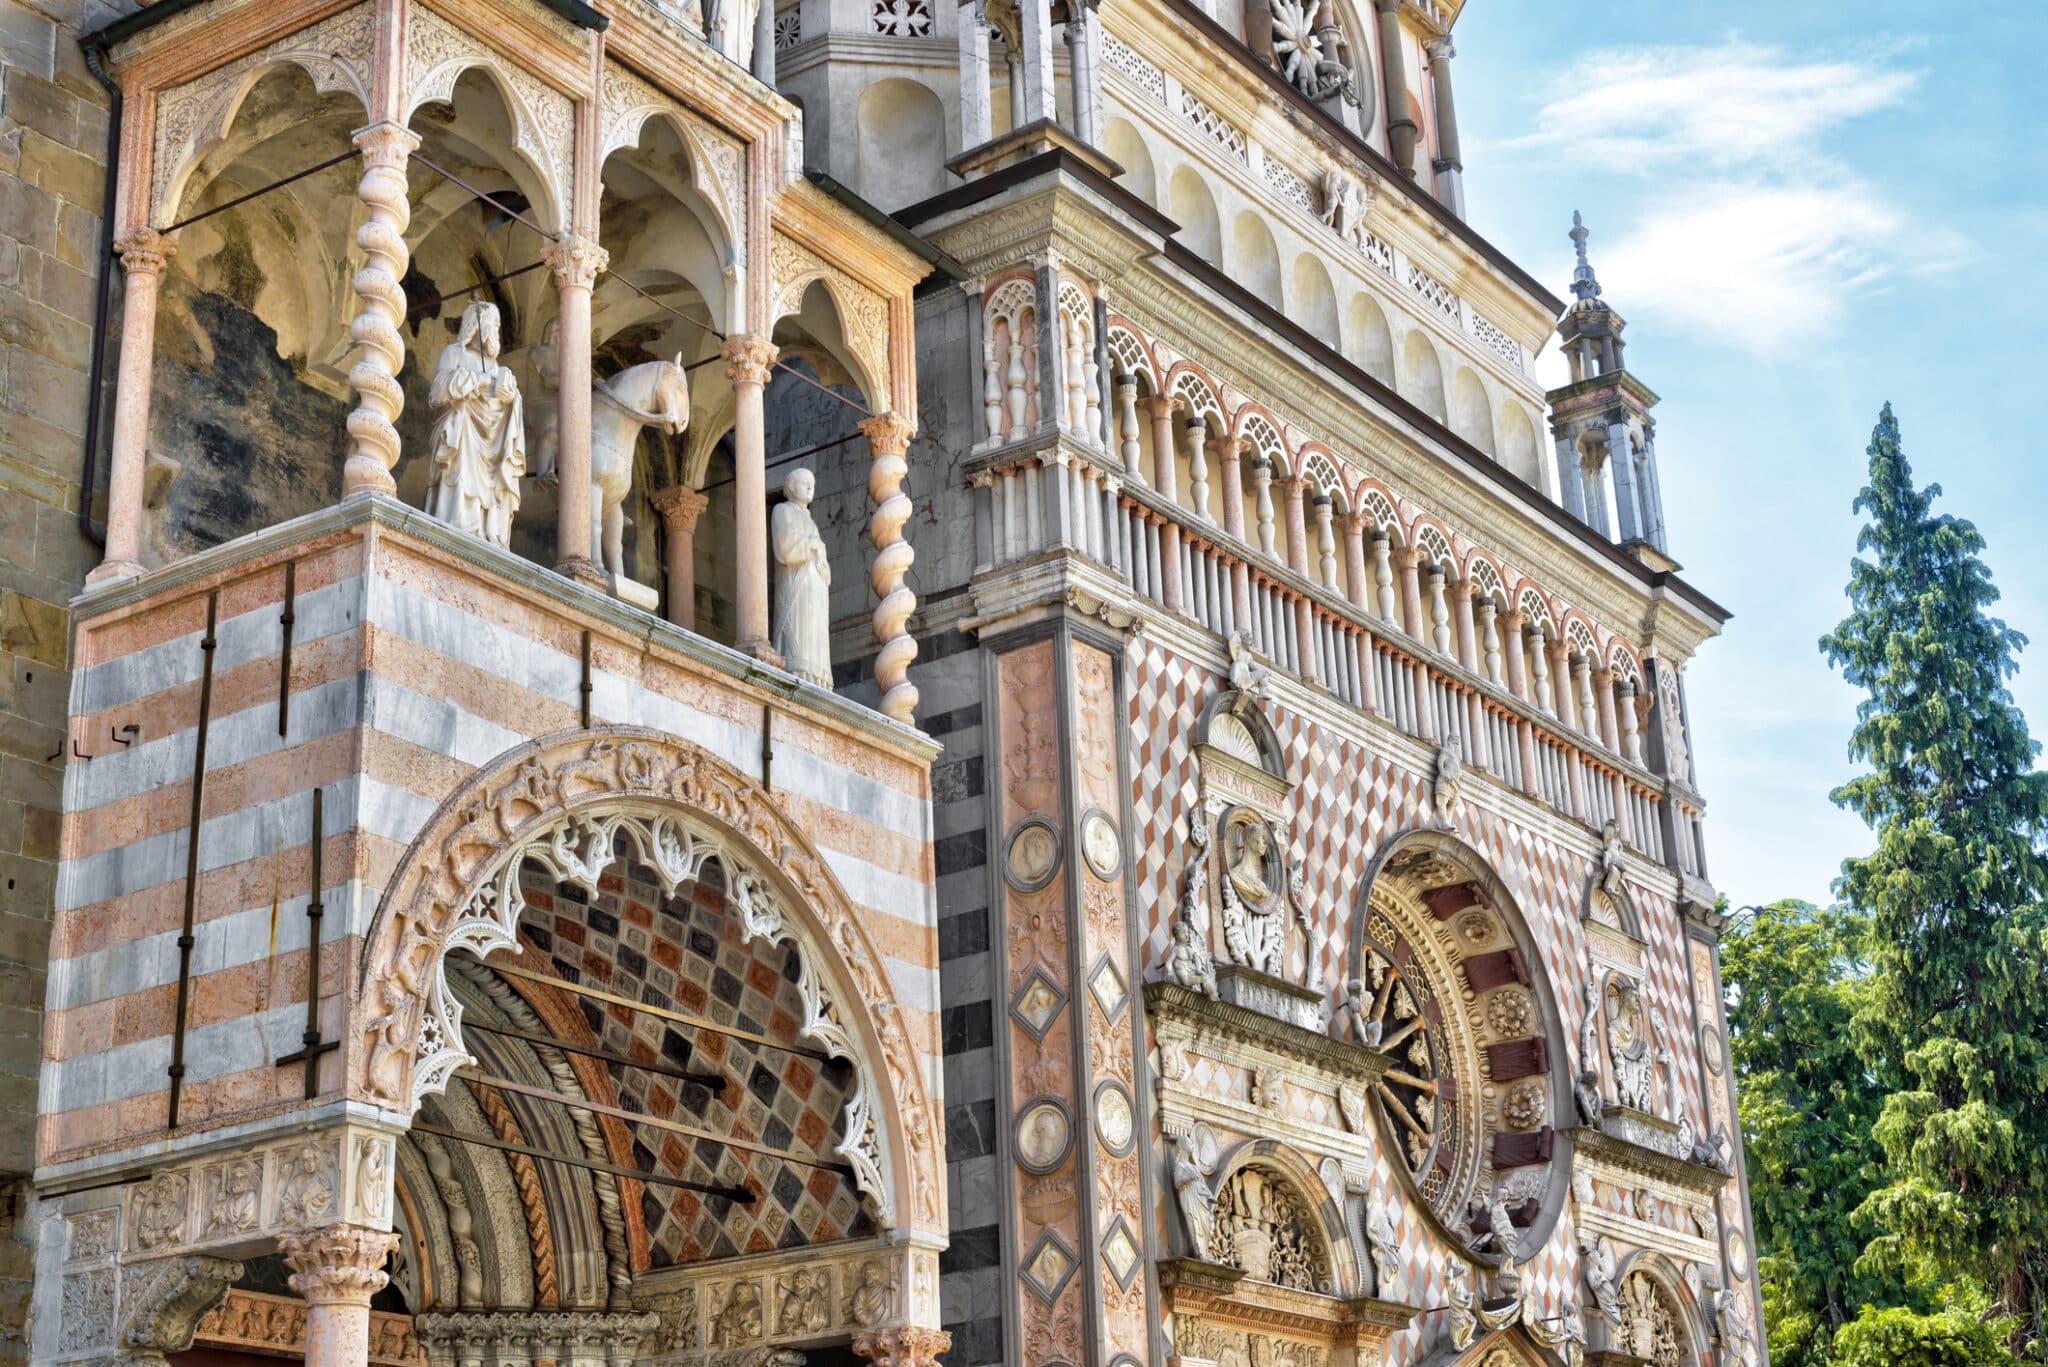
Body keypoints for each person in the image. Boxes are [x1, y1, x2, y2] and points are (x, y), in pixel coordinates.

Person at [427, 301, 525, 547]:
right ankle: (456, 523)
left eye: (497, 324)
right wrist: (477, 380)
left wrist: (511, 398)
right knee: (460, 470)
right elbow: (437, 393)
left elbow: (503, 402)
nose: (494, 329)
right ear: (474, 325)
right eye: (490, 322)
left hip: (493, 439)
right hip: (464, 431)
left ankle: (487, 530)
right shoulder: (454, 353)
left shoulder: (496, 367)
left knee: (492, 487)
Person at [772, 468, 832, 686]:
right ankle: (796, 673)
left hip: (814, 593)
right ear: (790, 486)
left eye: (812, 484)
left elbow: (820, 557)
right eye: (804, 482)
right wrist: (812, 546)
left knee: (813, 639)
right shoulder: (782, 510)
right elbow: (784, 548)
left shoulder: (811, 521)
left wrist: (823, 566)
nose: (809, 487)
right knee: (797, 637)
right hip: (795, 588)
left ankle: (815, 678)